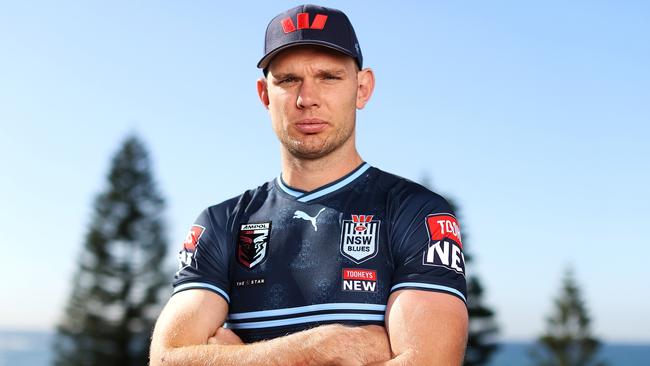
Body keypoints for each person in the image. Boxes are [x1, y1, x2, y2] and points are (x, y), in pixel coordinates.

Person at [151, 4, 468, 365]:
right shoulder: (222, 223)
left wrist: (237, 359)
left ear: (362, 89)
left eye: (329, 77)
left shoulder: (415, 214)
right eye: (288, 80)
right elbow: (166, 359)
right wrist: (326, 347)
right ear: (264, 95)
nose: (307, 99)